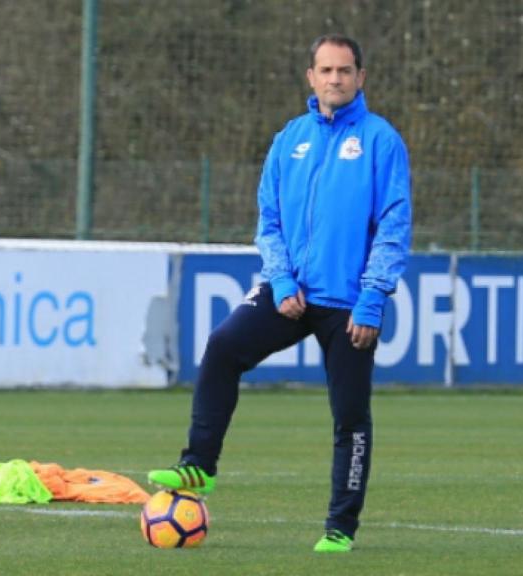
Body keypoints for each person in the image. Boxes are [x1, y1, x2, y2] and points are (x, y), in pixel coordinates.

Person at [148, 33, 411, 552]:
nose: (335, 79)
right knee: (223, 348)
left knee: (350, 417)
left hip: (350, 303)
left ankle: (340, 528)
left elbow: (394, 225)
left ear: (361, 77)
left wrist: (373, 297)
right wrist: (283, 280)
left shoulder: (381, 141)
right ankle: (199, 467)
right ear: (310, 77)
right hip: (289, 291)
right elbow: (268, 221)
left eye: (345, 70)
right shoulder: (289, 138)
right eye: (325, 70)